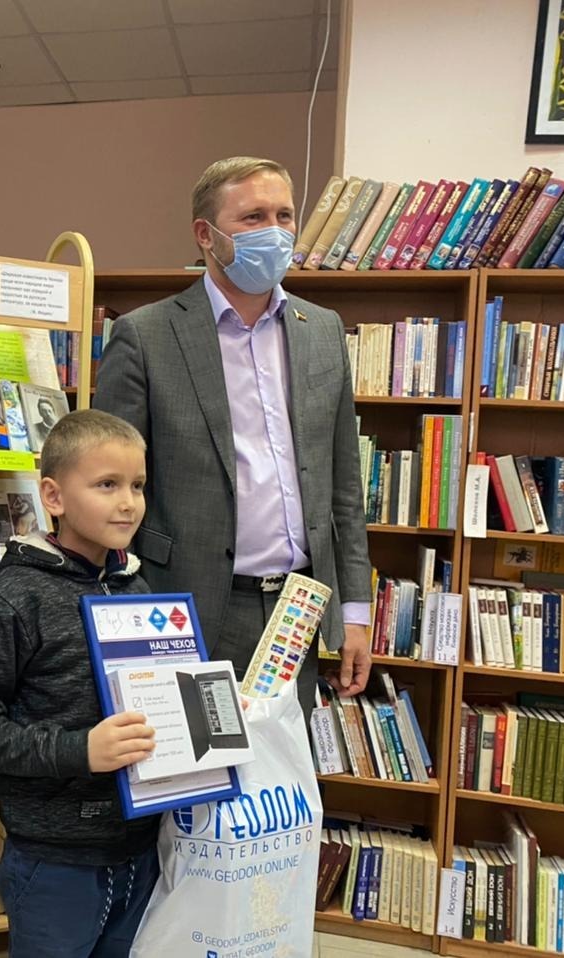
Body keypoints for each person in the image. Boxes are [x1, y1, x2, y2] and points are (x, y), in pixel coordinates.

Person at [93, 156, 373, 715]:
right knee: (191, 763)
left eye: (284, 215)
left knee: (281, 764)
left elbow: (343, 483)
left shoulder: (322, 330)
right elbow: (108, 485)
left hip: (297, 610)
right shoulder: (145, 335)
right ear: (206, 235)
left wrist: (356, 613)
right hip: (182, 606)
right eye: (252, 217)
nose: (275, 231)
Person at [0, 409, 159, 958]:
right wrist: (79, 750)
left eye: (137, 485)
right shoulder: (16, 596)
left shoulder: (139, 588)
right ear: (53, 497)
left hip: (141, 848)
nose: (128, 502)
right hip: (55, 860)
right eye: (107, 485)